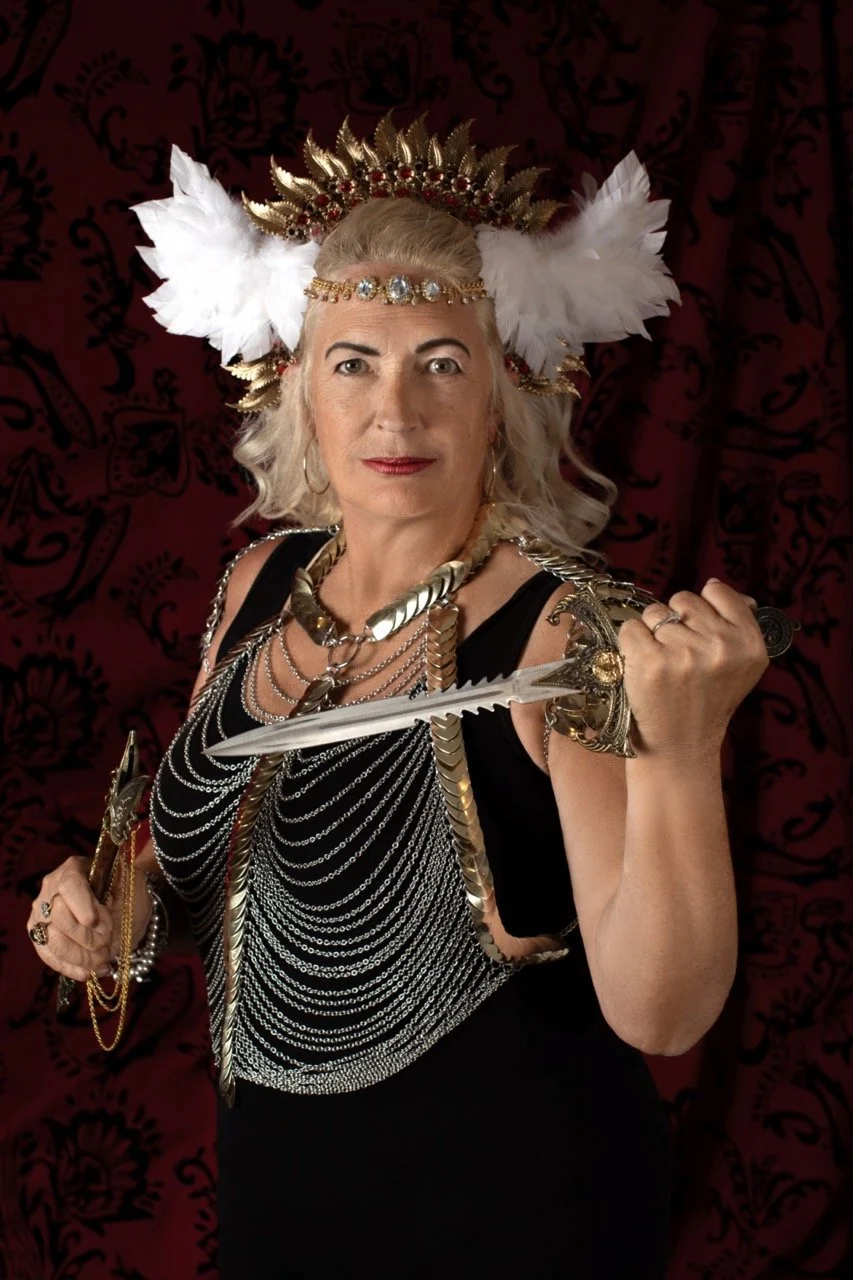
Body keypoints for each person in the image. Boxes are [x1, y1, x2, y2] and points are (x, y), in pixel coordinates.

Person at [27, 116, 771, 1278]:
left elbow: (663, 1016)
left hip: (516, 1221)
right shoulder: (256, 583)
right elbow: (239, 876)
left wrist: (679, 754)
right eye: (354, 361)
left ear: (501, 393)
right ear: (297, 388)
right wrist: (119, 916)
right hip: (281, 1207)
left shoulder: (568, 631)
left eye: (440, 360)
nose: (396, 412)